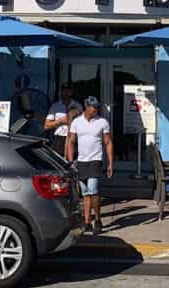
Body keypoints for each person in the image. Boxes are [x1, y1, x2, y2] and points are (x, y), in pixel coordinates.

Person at [66, 96, 113, 235]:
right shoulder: (77, 122)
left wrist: (110, 162)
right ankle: (87, 222)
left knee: (93, 190)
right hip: (81, 161)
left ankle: (97, 219)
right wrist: (70, 160)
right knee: (85, 193)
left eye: (97, 107)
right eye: (94, 107)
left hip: (95, 160)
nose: (96, 109)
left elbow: (108, 142)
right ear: (87, 107)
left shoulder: (102, 122)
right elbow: (71, 141)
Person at [44, 83, 82, 159]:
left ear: (71, 92)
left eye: (68, 91)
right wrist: (60, 121)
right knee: (58, 163)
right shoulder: (55, 106)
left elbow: (82, 124)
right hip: (59, 139)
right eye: (63, 91)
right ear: (60, 92)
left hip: (73, 138)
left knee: (72, 162)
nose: (65, 93)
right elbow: (46, 126)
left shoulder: (78, 106)